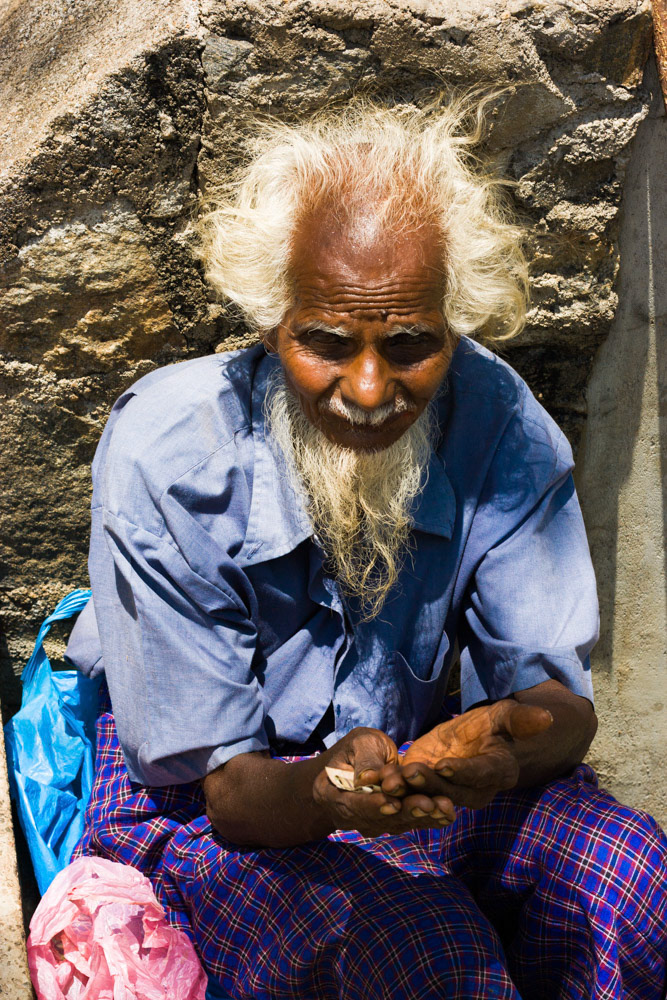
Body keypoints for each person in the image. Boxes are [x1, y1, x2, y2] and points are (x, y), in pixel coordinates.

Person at [68, 103, 667, 1000]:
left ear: (453, 327)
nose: (369, 388)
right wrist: (326, 797)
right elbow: (227, 792)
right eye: (327, 342)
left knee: (631, 880)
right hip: (209, 807)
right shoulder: (170, 451)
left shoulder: (496, 419)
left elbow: (557, 705)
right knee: (427, 955)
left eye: (410, 345)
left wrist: (507, 744)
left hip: (408, 779)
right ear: (275, 324)